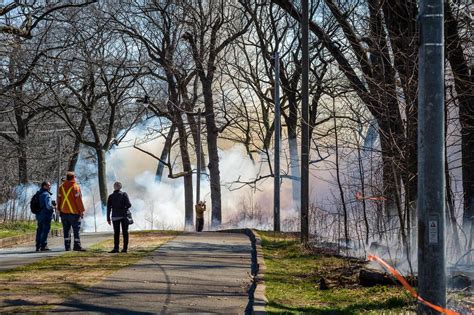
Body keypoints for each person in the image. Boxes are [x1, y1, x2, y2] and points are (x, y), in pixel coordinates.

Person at [57, 171, 86, 251]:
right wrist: (81, 211)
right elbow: (78, 200)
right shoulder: (75, 187)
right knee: (76, 230)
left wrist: (59, 210)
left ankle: (67, 246)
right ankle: (77, 246)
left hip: (64, 213)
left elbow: (59, 199)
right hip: (74, 213)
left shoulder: (61, 187)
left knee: (66, 230)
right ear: (73, 178)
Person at [107, 181, 132, 253]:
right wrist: (124, 208)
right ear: (120, 187)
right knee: (125, 232)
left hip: (115, 216)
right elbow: (129, 205)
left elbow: (108, 208)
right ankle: (125, 248)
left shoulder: (111, 196)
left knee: (116, 233)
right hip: (124, 216)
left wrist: (108, 218)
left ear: (114, 187)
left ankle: (116, 248)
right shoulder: (124, 194)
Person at [35, 181, 55, 251]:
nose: (50, 186)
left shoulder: (38, 193)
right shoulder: (46, 195)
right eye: (48, 185)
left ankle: (38, 246)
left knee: (39, 230)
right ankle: (43, 245)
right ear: (44, 186)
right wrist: (54, 207)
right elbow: (48, 206)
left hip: (39, 216)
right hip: (46, 216)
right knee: (45, 231)